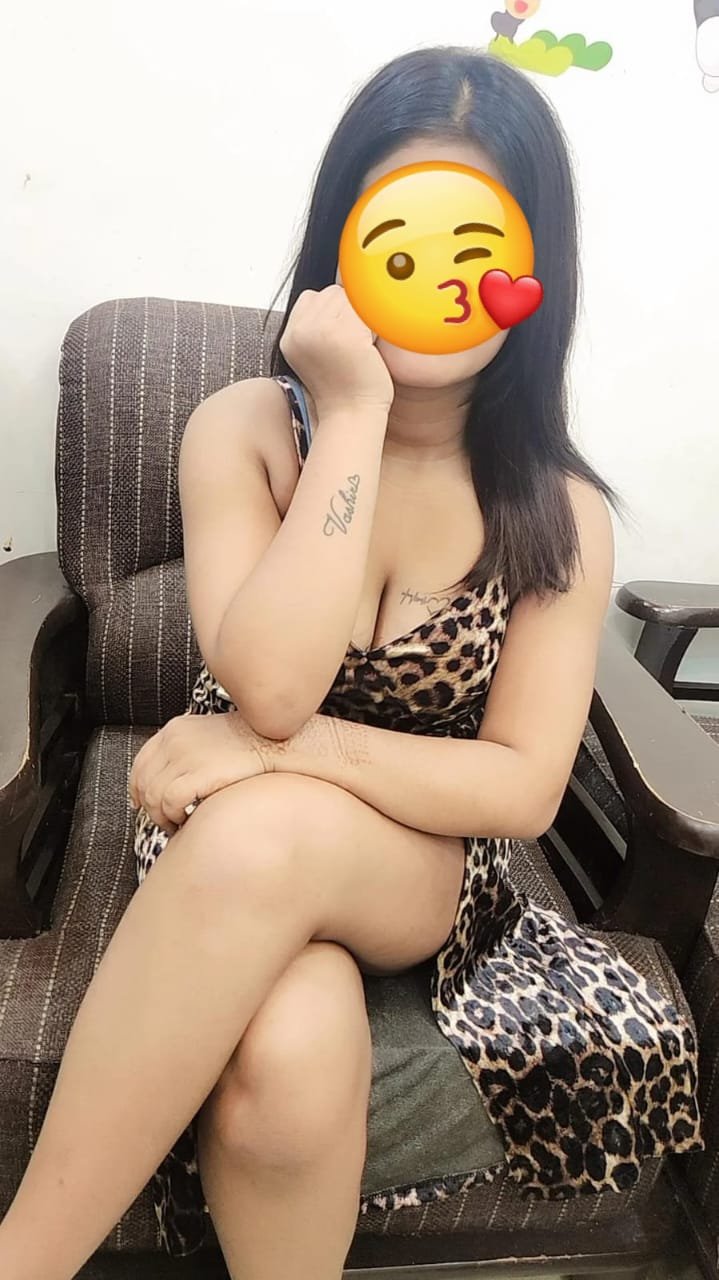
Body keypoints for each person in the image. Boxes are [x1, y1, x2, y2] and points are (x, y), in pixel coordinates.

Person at [0, 44, 702, 1280]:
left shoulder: (556, 509)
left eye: (475, 244)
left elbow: (514, 787)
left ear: (531, 272)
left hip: (421, 863)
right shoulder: (244, 431)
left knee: (268, 826)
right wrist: (358, 416)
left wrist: (291, 755)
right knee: (287, 1052)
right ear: (344, 248)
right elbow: (270, 680)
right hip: (216, 836)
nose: (437, 277)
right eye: (400, 237)